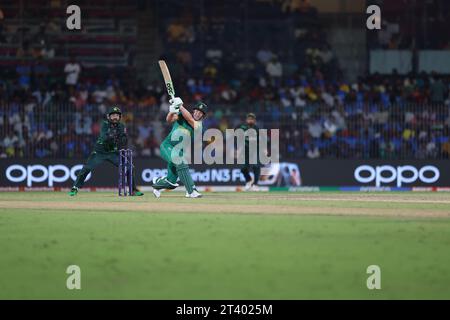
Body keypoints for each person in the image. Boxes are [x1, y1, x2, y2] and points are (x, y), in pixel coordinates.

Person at [69, 107, 143, 196]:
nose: (115, 117)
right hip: (100, 152)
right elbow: (104, 137)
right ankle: (75, 188)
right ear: (108, 117)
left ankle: (133, 190)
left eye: (117, 115)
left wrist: (121, 137)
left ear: (120, 117)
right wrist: (114, 135)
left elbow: (123, 141)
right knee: (87, 168)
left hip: (113, 152)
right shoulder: (104, 124)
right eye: (113, 115)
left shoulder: (121, 126)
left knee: (129, 167)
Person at [151, 98, 207, 198]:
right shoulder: (182, 115)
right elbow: (169, 120)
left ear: (203, 116)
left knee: (171, 183)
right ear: (193, 110)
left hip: (179, 151)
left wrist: (180, 106)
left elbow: (190, 119)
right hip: (167, 146)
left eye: (201, 113)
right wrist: (171, 111)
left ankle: (157, 183)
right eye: (197, 111)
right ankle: (191, 191)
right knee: (180, 161)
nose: (198, 113)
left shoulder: (199, 126)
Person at [238, 113, 262, 191]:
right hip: (244, 150)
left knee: (256, 166)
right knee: (243, 168)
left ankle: (255, 184)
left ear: (254, 120)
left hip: (255, 150)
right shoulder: (242, 127)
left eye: (252, 119)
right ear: (246, 120)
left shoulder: (257, 129)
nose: (250, 120)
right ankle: (248, 180)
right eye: (249, 119)